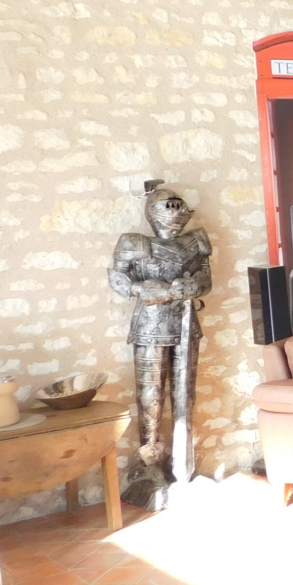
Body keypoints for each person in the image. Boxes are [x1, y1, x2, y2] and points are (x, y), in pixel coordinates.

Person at [108, 181, 212, 509]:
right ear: (153, 213)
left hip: (186, 324)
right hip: (149, 326)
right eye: (169, 210)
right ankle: (149, 463)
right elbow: (119, 278)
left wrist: (193, 286)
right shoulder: (135, 243)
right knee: (150, 396)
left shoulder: (196, 241)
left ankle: (183, 463)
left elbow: (205, 277)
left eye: (180, 211)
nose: (176, 218)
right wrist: (147, 290)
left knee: (185, 395)